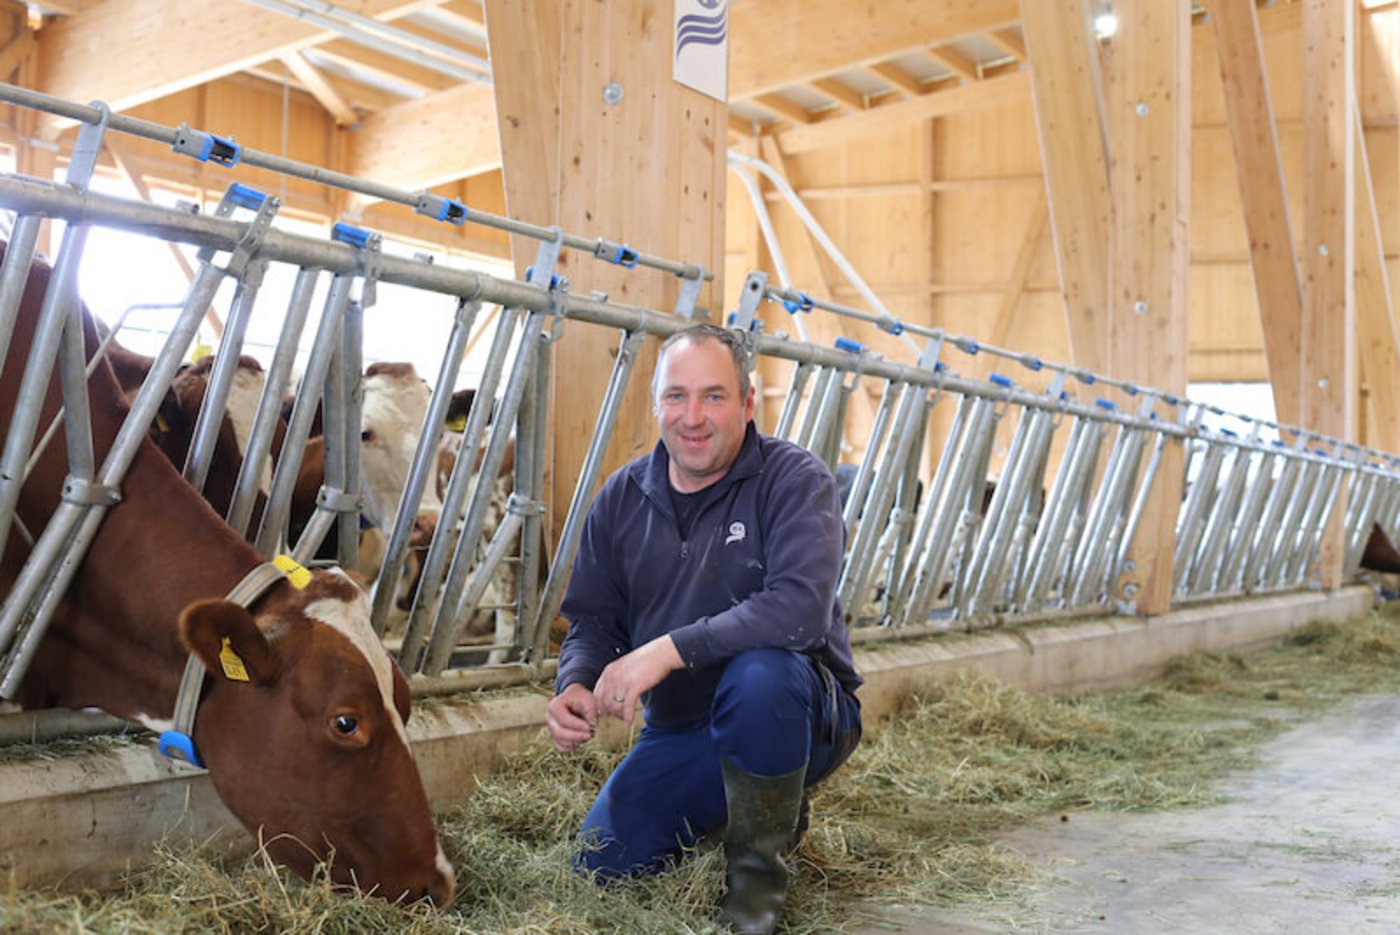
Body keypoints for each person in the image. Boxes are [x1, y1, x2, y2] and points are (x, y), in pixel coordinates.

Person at [546, 323, 863, 935]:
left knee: (763, 672)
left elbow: (799, 611)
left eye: (713, 396)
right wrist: (575, 682)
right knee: (601, 865)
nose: (692, 417)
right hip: (684, 724)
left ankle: (756, 885)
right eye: (676, 396)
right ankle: (749, 809)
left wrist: (665, 651)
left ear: (748, 403)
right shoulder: (622, 496)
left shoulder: (795, 480)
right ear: (657, 402)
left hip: (800, 711)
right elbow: (592, 619)